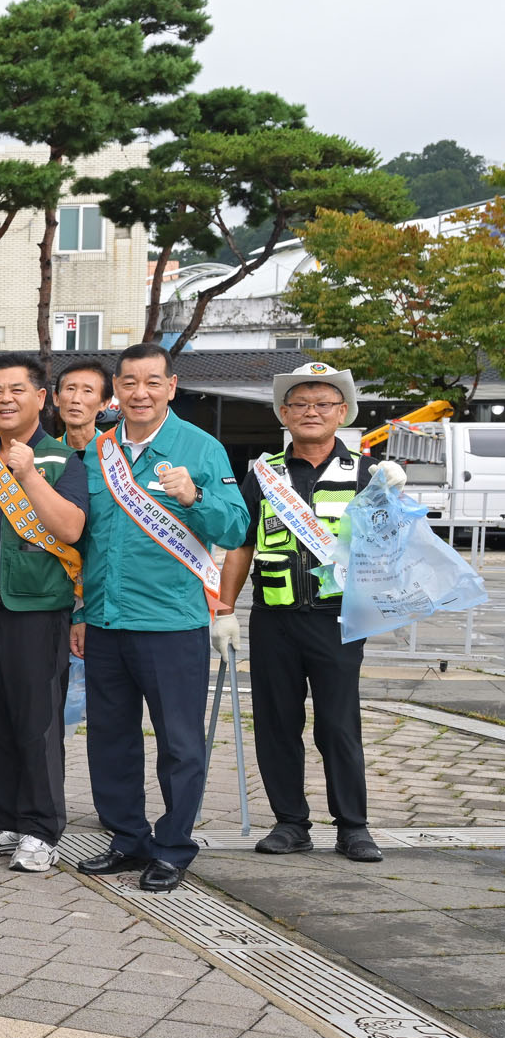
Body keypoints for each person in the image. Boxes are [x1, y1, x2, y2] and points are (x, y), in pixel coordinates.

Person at [73, 343, 250, 892]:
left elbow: (235, 528)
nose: (140, 393)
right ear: (116, 390)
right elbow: (84, 540)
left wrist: (195, 497)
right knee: (110, 739)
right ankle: (126, 837)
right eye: (129, 382)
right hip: (106, 620)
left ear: (171, 386)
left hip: (172, 623)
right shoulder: (98, 452)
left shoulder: (201, 447)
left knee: (179, 743)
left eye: (153, 382)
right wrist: (81, 611)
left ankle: (173, 848)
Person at [219, 363, 393, 863]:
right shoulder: (263, 474)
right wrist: (224, 609)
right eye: (300, 404)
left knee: (338, 724)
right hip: (273, 619)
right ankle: (290, 823)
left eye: (323, 404)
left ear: (343, 412)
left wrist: (395, 498)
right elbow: (241, 545)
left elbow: (394, 544)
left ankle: (353, 826)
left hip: (338, 619)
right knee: (276, 723)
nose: (310, 412)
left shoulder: (368, 474)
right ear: (283, 413)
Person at [0, 354, 88, 866]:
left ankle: (41, 831)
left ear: (41, 398)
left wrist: (28, 475)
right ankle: (3, 821)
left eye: (16, 390)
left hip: (35, 611)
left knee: (36, 726)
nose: (5, 400)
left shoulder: (61, 460)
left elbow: (71, 528)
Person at [55, 360, 111, 454]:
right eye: (70, 389)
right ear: (56, 398)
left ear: (104, 403)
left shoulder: (116, 454)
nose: (76, 399)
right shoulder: (45, 454)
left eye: (87, 391)